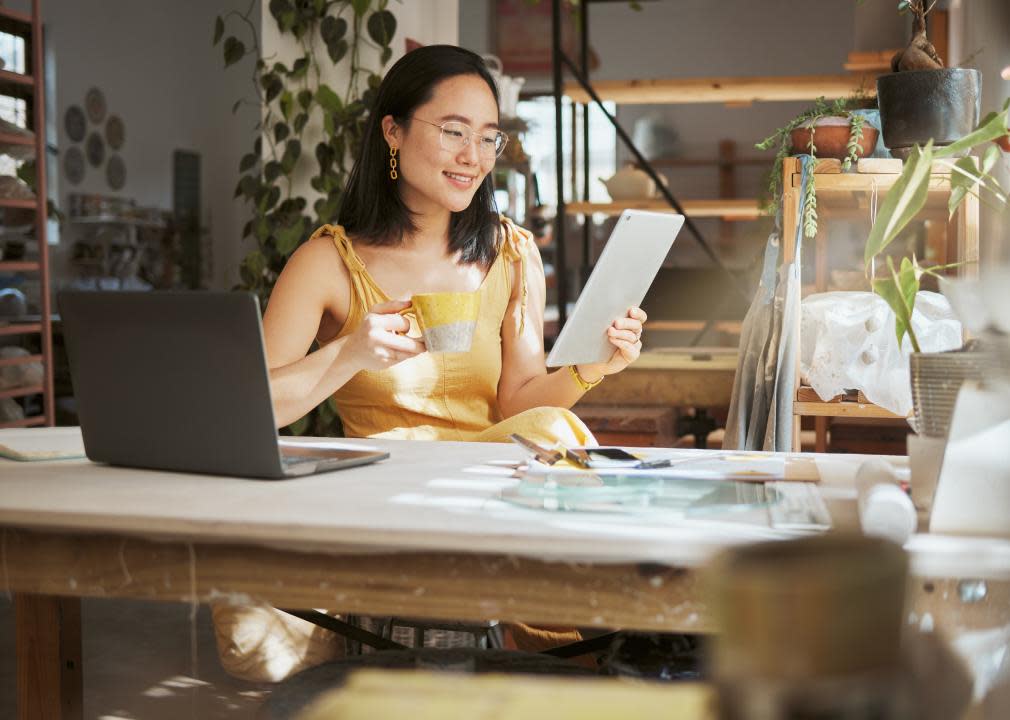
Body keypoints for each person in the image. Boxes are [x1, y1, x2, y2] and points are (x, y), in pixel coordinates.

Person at [212, 44, 647, 682]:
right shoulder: (328, 262)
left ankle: (579, 641)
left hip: (490, 489)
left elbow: (518, 404)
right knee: (253, 635)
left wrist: (594, 366)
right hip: (383, 487)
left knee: (553, 434)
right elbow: (253, 408)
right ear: (392, 130)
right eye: (453, 132)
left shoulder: (512, 254)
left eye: (488, 138)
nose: (474, 156)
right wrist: (348, 352)